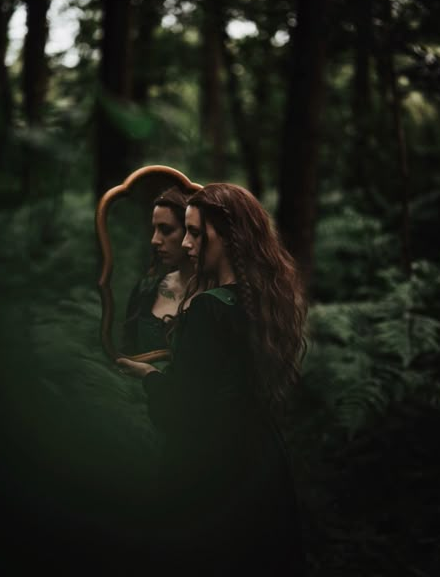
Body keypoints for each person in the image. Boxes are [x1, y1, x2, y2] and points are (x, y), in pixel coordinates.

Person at [117, 183, 308, 574]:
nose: (186, 244)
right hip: (260, 460)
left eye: (196, 232)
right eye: (184, 231)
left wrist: (150, 375)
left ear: (229, 235)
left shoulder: (207, 309)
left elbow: (181, 411)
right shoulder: (260, 298)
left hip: (211, 468)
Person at [121, 185, 197, 363]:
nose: (155, 240)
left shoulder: (216, 295)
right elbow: (126, 352)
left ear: (191, 232)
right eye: (154, 229)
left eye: (166, 230)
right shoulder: (145, 289)